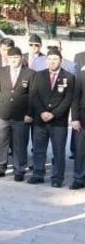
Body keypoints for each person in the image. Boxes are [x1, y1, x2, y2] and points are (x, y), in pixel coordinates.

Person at [27, 48, 75, 187]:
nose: (52, 62)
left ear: (61, 60)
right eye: (49, 59)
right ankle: (38, 174)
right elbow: (34, 96)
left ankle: (57, 178)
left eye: (55, 59)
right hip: (40, 120)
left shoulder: (69, 77)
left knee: (58, 151)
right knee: (38, 150)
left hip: (58, 121)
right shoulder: (38, 75)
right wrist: (42, 112)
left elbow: (68, 99)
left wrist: (53, 113)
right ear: (45, 61)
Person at [0, 47, 33, 181]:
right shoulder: (1, 72)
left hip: (21, 115)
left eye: (17, 57)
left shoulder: (29, 73)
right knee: (0, 142)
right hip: (3, 114)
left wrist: (29, 113)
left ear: (21, 58)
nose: (14, 60)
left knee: (20, 143)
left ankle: (19, 169)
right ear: (7, 59)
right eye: (12, 58)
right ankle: (0, 167)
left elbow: (33, 95)